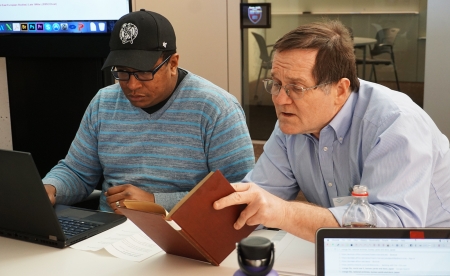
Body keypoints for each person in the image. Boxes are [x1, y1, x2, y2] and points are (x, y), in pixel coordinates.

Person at [214, 20, 450, 242]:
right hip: (341, 245)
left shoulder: (395, 123)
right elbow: (261, 196)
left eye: (296, 87)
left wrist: (284, 213)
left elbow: (396, 226)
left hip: (429, 248)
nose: (280, 99)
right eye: (276, 84)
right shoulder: (292, 124)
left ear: (340, 89)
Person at [43, 9, 255, 213]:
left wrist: (155, 201)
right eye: (123, 73)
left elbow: (238, 192)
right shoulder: (104, 103)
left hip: (181, 233)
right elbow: (78, 172)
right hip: (111, 230)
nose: (132, 85)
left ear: (173, 63)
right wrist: (50, 189)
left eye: (144, 73)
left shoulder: (216, 109)